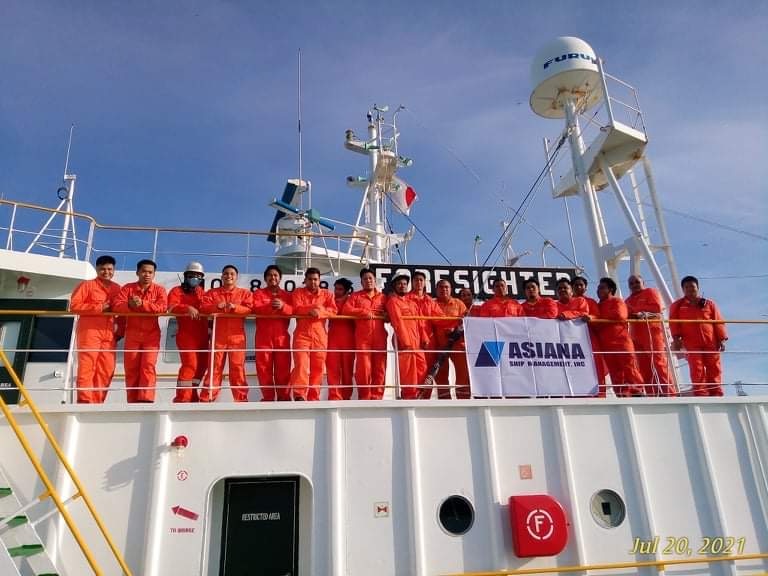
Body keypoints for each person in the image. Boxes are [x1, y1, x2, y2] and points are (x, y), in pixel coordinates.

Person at [69, 255, 123, 403]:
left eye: (109, 269)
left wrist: (119, 331)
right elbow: (74, 306)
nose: (106, 272)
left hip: (109, 333)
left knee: (106, 369)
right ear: (97, 269)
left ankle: (97, 402)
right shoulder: (87, 285)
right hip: (89, 331)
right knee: (87, 367)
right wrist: (99, 307)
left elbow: (122, 312)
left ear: (114, 270)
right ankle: (85, 402)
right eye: (103, 269)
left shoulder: (117, 288)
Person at [113, 259, 168, 403]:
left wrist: (142, 304)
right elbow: (116, 306)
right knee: (131, 368)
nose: (147, 274)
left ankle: (146, 400)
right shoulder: (128, 288)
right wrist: (129, 305)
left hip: (151, 336)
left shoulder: (160, 290)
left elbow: (162, 308)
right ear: (137, 272)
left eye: (150, 272)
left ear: (154, 274)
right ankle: (132, 401)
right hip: (132, 335)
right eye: (144, 271)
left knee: (148, 366)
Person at [199, 265, 253, 402]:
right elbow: (203, 307)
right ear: (222, 276)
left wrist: (235, 308)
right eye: (226, 273)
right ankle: (207, 397)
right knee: (214, 367)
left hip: (237, 336)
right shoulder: (212, 293)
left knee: (237, 368)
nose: (229, 276)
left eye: (232, 274)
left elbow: (249, 309)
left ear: (236, 277)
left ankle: (241, 399)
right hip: (218, 336)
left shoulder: (244, 293)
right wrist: (216, 307)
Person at [669, 275, 728, 396]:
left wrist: (721, 339)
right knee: (697, 369)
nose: (689, 289)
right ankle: (701, 393)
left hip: (711, 342)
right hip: (691, 343)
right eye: (686, 287)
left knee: (714, 368)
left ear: (698, 287)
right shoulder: (677, 306)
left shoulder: (709, 304)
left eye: (692, 286)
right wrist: (676, 339)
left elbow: (718, 321)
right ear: (683, 289)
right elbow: (674, 324)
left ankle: (716, 393)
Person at [289, 267, 337, 401]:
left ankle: (313, 396)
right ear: (305, 280)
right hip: (302, 335)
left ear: (319, 280)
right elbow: (296, 308)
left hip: (320, 335)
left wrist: (320, 312)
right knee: (301, 365)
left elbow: (333, 311)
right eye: (310, 279)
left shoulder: (327, 294)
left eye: (315, 279)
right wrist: (312, 309)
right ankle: (299, 395)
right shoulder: (298, 292)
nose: (313, 282)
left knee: (318, 367)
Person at [593, 277, 645, 397]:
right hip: (606, 344)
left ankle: (637, 391)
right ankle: (622, 394)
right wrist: (600, 321)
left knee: (629, 366)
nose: (598, 290)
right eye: (598, 288)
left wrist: (599, 320)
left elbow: (620, 315)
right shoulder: (597, 306)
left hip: (621, 341)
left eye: (602, 288)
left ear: (610, 289)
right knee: (614, 370)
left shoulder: (617, 301)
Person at [625, 274, 674, 396]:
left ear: (643, 283)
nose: (634, 285)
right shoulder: (628, 301)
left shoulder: (650, 292)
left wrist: (639, 313)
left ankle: (669, 392)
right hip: (636, 336)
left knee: (658, 363)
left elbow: (656, 308)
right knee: (643, 367)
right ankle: (652, 393)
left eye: (637, 282)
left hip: (652, 333)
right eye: (631, 283)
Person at [167, 261, 209, 403]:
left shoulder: (201, 293)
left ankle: (192, 394)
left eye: (198, 276)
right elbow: (171, 307)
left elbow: (208, 307)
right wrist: (186, 308)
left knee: (202, 366)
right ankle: (182, 398)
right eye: (192, 275)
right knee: (190, 365)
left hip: (203, 335)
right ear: (186, 276)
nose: (195, 278)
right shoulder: (176, 291)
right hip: (186, 335)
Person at [251, 265, 293, 401]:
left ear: (280, 278)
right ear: (265, 278)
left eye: (275, 275)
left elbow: (293, 310)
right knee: (264, 369)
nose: (272, 277)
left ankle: (284, 397)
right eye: (269, 275)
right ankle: (268, 397)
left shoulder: (287, 295)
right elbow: (255, 308)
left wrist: (283, 306)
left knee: (283, 369)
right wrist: (271, 306)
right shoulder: (258, 294)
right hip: (263, 337)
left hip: (282, 337)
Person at [346, 268, 388, 400]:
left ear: (375, 280)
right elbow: (346, 309)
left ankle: (377, 397)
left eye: (370, 278)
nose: (368, 281)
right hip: (363, 338)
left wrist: (386, 315)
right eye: (365, 279)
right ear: (361, 282)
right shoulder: (355, 296)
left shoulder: (383, 298)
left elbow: (390, 313)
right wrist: (363, 312)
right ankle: (364, 396)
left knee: (380, 367)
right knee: (363, 368)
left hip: (380, 337)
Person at [385, 274, 427, 399]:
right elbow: (397, 321)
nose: (402, 286)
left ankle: (420, 395)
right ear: (394, 286)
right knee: (408, 372)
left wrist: (424, 337)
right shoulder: (393, 302)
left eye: (404, 284)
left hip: (417, 343)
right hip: (405, 342)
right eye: (399, 284)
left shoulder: (412, 303)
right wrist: (405, 341)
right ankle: (409, 396)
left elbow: (420, 321)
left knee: (422, 369)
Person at [431, 279, 470, 399]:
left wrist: (455, 330)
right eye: (441, 287)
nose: (444, 289)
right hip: (439, 344)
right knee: (440, 375)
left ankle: (463, 400)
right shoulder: (432, 304)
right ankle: (444, 400)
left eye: (446, 287)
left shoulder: (459, 303)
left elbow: (466, 323)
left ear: (451, 289)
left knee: (463, 373)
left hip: (458, 344)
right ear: (436, 290)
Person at [572, 276, 608, 397]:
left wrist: (590, 317)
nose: (578, 287)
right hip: (573, 340)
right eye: (576, 285)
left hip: (590, 338)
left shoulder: (591, 302)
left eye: (581, 285)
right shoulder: (568, 302)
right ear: (572, 287)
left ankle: (600, 395)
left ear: (585, 287)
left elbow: (597, 317)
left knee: (595, 367)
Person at [326, 278, 355, 400]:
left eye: (340, 289)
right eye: (336, 289)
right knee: (332, 368)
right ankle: (334, 396)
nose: (337, 291)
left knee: (347, 370)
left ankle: (346, 396)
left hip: (349, 339)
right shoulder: (330, 300)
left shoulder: (351, 301)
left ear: (347, 291)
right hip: (332, 338)